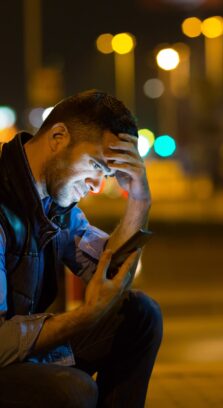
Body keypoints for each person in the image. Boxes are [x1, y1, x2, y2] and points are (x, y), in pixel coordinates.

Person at [0, 90, 163, 407]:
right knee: (74, 390)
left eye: (107, 174)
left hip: (13, 352)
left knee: (140, 315)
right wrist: (87, 315)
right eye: (95, 166)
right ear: (58, 137)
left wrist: (140, 200)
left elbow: (112, 274)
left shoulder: (54, 205)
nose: (97, 186)